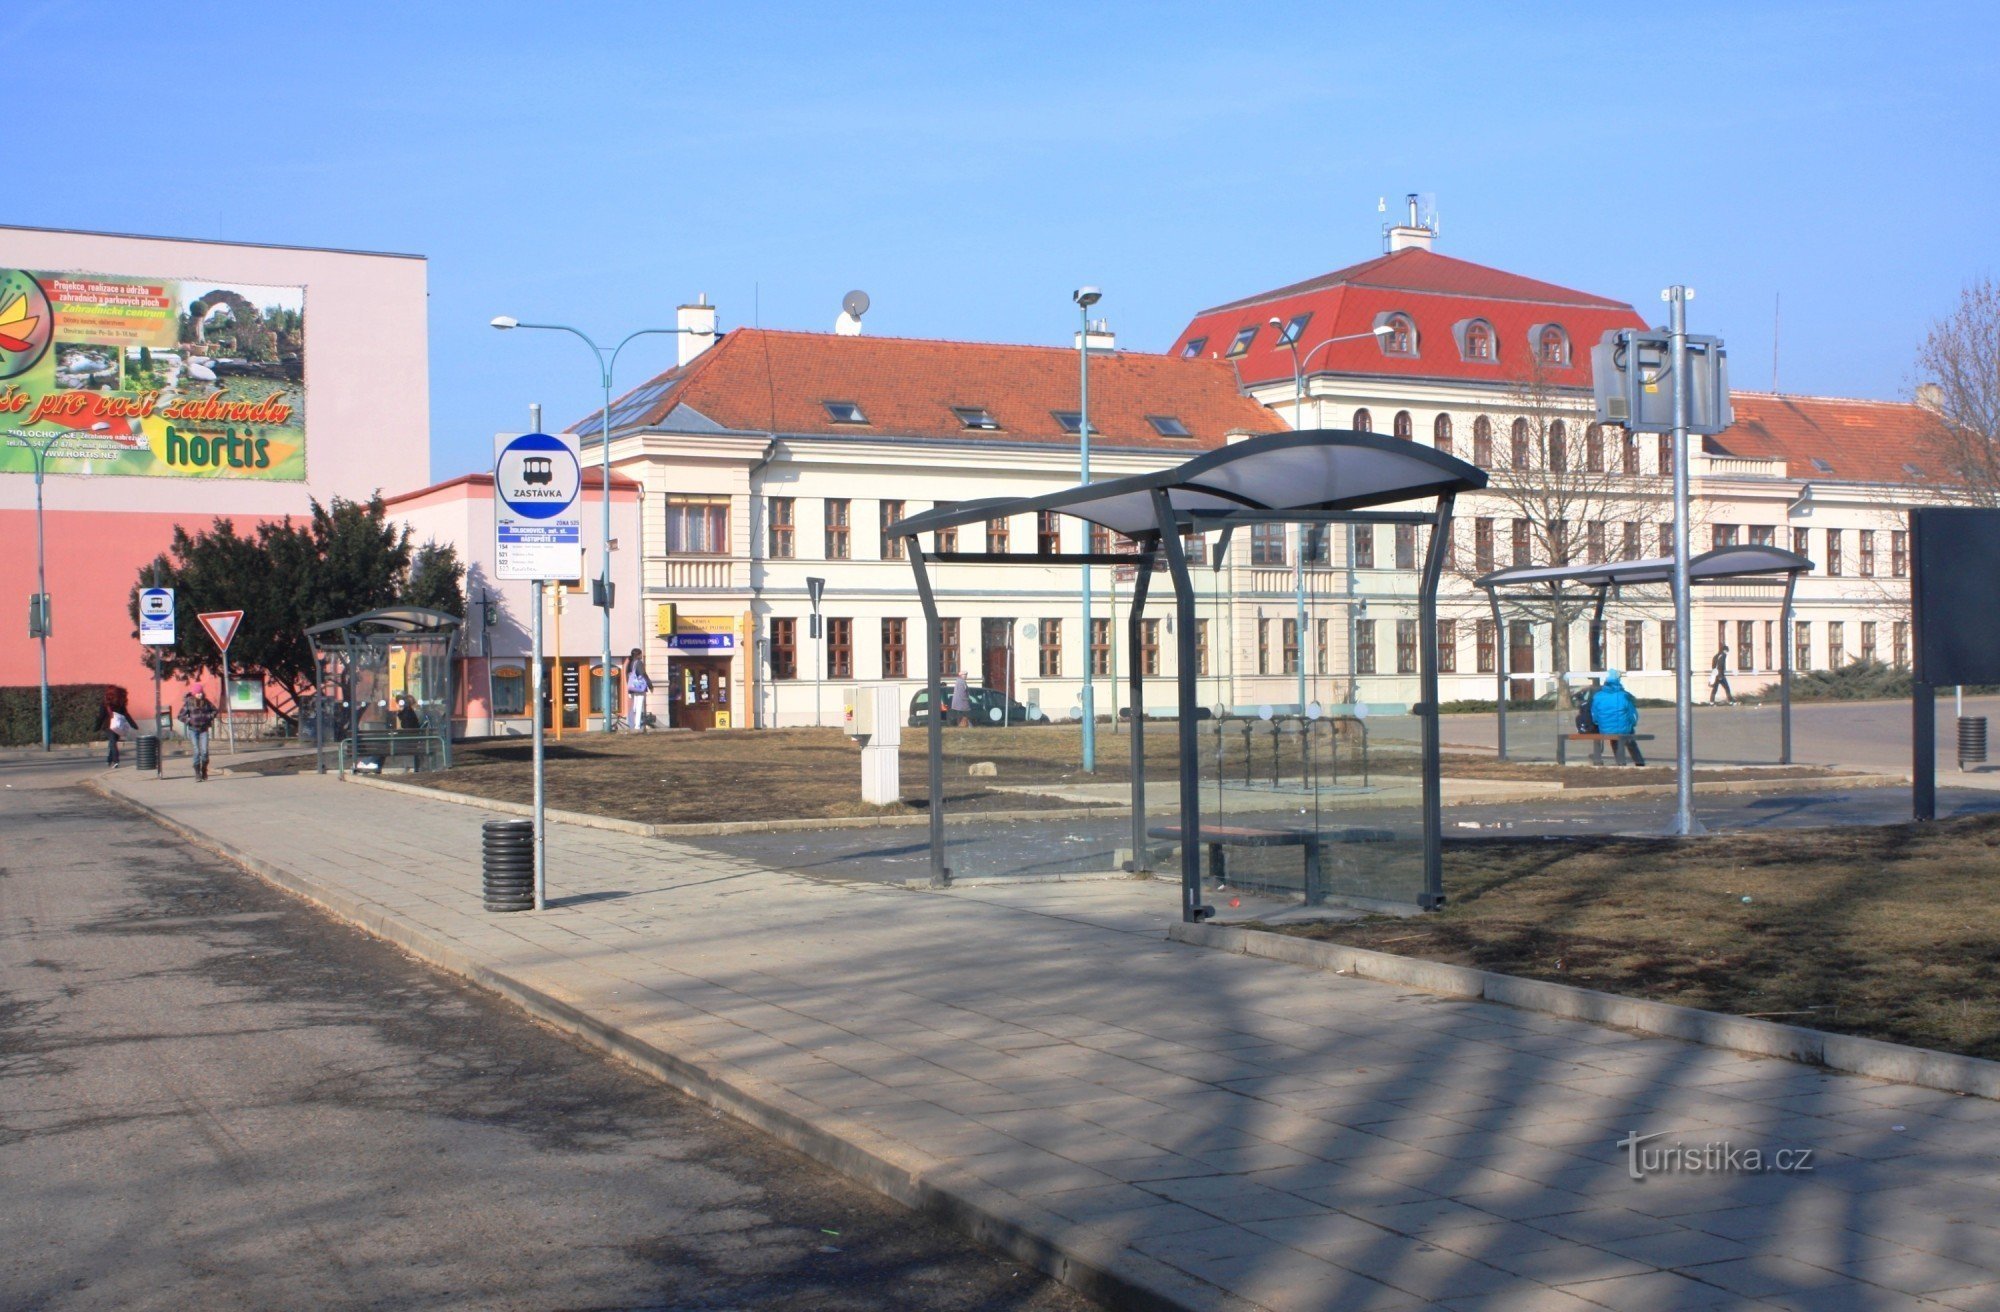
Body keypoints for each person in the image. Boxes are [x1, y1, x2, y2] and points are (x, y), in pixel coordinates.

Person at [1589, 669, 1645, 766]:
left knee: (1614, 739)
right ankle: (1639, 762)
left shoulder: (1598, 696)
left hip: (1605, 729)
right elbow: (1633, 715)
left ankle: (1620, 762)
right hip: (1624, 729)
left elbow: (1595, 716)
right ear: (1618, 681)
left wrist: (1599, 723)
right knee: (1629, 738)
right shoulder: (1624, 696)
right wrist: (1632, 724)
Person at [178, 684, 218, 782]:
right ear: (194, 693)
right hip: (193, 730)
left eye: (201, 692)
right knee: (196, 750)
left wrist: (208, 717)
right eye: (198, 693)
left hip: (204, 729)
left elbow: (215, 711)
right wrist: (189, 720)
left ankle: (204, 769)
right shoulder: (189, 703)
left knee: (204, 751)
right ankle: (197, 773)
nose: (200, 695)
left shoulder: (206, 702)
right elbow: (180, 716)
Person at [95, 686, 131, 768]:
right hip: (118, 726)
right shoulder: (120, 703)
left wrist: (97, 727)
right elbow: (126, 714)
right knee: (112, 742)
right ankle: (110, 760)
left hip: (109, 726)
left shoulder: (105, 704)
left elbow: (101, 716)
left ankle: (115, 761)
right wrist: (132, 724)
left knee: (112, 743)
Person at [625, 649, 652, 731]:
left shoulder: (629, 663)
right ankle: (637, 725)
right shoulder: (639, 663)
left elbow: (627, 676)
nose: (641, 656)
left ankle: (631, 723)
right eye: (641, 654)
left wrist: (629, 688)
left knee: (634, 706)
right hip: (639, 687)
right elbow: (643, 674)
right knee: (639, 706)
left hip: (632, 687)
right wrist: (650, 685)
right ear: (638, 655)